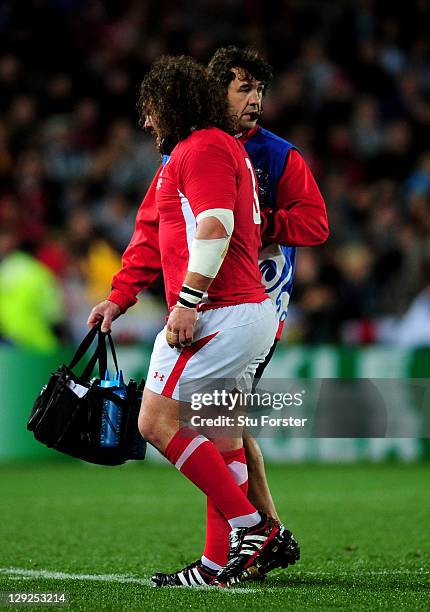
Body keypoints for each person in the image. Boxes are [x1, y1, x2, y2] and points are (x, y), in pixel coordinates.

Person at [89, 47, 328, 586]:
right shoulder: (201, 153)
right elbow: (153, 235)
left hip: (224, 308)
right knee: (222, 430)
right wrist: (121, 295)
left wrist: (189, 300)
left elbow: (225, 228)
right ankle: (223, 562)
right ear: (210, 91)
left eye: (258, 90)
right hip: (238, 307)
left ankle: (256, 526)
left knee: (164, 422)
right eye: (244, 88)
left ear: (177, 100)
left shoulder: (228, 152)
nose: (255, 100)